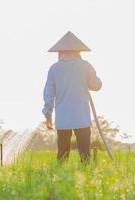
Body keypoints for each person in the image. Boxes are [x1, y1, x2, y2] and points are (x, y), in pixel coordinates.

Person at [42, 31, 102, 163]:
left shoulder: (54, 69)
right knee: (85, 154)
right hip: (82, 118)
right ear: (78, 51)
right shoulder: (85, 66)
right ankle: (85, 177)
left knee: (62, 155)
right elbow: (96, 85)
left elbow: (48, 94)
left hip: (63, 119)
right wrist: (93, 77)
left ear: (60, 52)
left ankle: (59, 178)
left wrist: (48, 115)